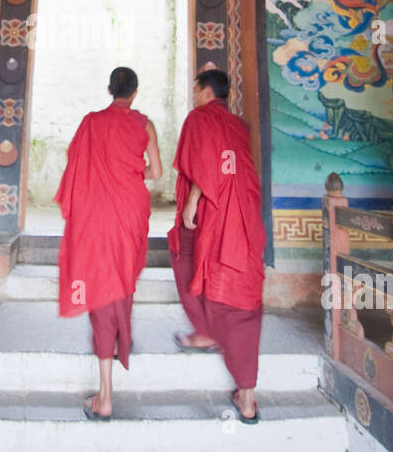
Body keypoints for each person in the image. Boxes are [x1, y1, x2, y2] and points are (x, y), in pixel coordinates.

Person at [55, 66, 163, 421]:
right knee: (123, 279)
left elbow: (76, 165)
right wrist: (131, 172)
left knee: (101, 287)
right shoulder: (145, 125)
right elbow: (157, 172)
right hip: (131, 210)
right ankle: (122, 340)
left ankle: (105, 397)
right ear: (134, 93)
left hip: (98, 213)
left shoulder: (90, 122)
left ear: (109, 90)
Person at [168, 69, 266, 423]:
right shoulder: (237, 124)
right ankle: (247, 392)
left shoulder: (199, 118)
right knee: (239, 287)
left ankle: (207, 331)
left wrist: (194, 199)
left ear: (205, 90)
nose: (194, 94)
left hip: (214, 208)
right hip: (244, 215)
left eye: (195, 88)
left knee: (185, 256)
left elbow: (205, 167)